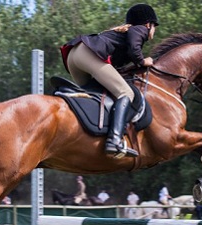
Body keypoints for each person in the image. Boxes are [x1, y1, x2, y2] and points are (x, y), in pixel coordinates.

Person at [60, 3, 159, 158]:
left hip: (74, 56)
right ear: (148, 24)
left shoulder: (121, 32)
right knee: (126, 92)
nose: (154, 30)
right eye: (154, 26)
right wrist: (143, 61)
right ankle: (115, 140)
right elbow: (134, 49)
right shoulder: (140, 29)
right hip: (87, 55)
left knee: (94, 95)